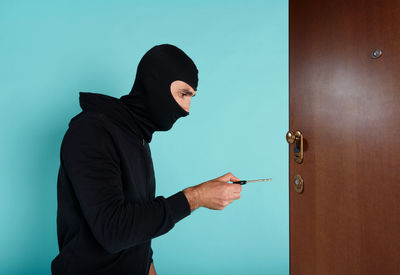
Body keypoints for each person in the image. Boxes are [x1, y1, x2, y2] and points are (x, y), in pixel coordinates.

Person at [51, 44, 242, 275]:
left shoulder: (137, 138)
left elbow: (137, 225)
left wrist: (148, 267)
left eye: (191, 97)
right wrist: (196, 196)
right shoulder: (92, 132)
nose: (186, 109)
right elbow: (114, 230)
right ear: (155, 83)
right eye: (183, 94)